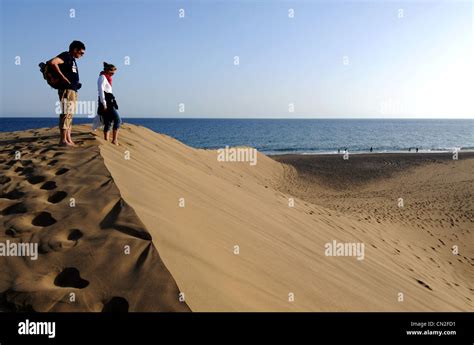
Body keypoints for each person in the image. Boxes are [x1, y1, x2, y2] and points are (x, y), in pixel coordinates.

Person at [49, 41, 85, 146]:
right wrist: (62, 77)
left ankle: (68, 138)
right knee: (66, 113)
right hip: (67, 89)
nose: (82, 55)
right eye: (81, 53)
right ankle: (63, 140)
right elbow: (53, 62)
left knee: (70, 114)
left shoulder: (72, 59)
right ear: (75, 50)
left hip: (72, 89)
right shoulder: (66, 55)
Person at [98, 62, 121, 145]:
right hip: (106, 101)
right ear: (107, 70)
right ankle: (114, 140)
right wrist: (104, 104)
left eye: (114, 73)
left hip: (109, 101)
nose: (113, 74)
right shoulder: (102, 77)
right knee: (118, 120)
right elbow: (101, 91)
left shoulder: (107, 78)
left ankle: (106, 141)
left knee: (108, 121)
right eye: (112, 72)